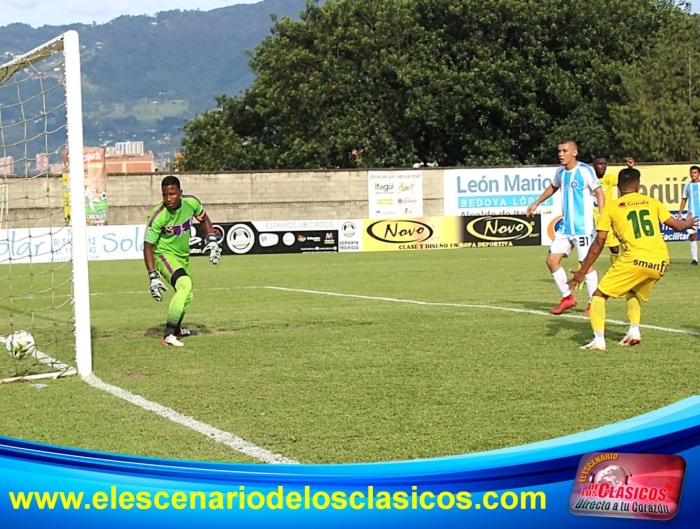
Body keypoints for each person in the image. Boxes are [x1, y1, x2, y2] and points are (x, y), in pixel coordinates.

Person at [569, 167, 696, 351]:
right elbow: (677, 226)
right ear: (638, 186)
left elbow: (599, 242)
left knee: (599, 295)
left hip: (635, 259)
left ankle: (598, 340)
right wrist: (688, 223)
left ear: (618, 187)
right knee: (631, 291)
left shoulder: (611, 207)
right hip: (661, 261)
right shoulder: (652, 202)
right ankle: (634, 331)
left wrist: (582, 271)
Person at [526, 140, 605, 316]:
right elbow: (553, 186)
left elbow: (599, 192)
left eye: (564, 151)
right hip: (565, 227)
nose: (561, 154)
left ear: (574, 153)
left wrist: (603, 215)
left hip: (583, 228)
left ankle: (593, 303)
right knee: (552, 261)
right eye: (559, 151)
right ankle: (567, 297)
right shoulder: (561, 171)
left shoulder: (584, 170)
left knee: (586, 265)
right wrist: (536, 203)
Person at [143, 175, 221, 346]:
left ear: (180, 192)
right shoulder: (158, 216)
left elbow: (204, 219)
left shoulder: (191, 203)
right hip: (163, 256)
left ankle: (177, 329)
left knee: (188, 294)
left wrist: (212, 240)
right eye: (165, 195)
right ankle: (168, 335)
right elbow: (148, 246)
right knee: (184, 284)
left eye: (172, 194)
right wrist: (153, 276)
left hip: (183, 257)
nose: (168, 199)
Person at [591, 156, 621, 263]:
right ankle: (581, 272)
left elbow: (625, 183)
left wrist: (630, 168)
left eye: (604, 164)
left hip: (606, 219)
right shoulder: (588, 180)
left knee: (615, 248)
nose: (603, 166)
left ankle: (616, 269)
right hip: (592, 219)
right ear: (594, 166)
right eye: (600, 164)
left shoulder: (610, 178)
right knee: (587, 250)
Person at [677, 165, 700, 265]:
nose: (693, 174)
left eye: (695, 172)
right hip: (692, 216)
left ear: (699, 174)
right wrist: (680, 212)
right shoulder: (687, 186)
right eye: (691, 173)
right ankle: (695, 260)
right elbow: (684, 199)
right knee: (693, 236)